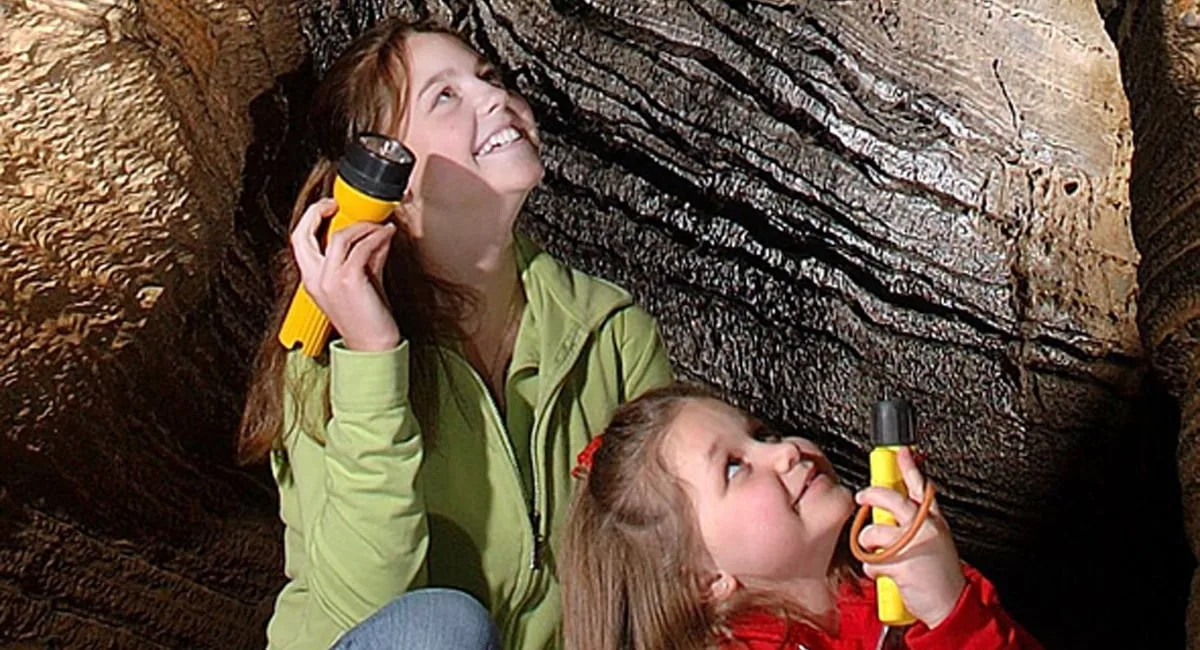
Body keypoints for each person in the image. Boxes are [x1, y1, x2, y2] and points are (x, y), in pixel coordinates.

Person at [236, 16, 673, 650]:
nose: (495, 97)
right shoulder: (326, 355)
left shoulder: (613, 337)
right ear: (388, 177)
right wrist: (374, 360)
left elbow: (674, 565)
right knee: (443, 626)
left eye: (488, 77)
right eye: (446, 95)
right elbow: (366, 609)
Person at [561, 383, 1043, 650]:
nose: (787, 452)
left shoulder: (910, 587)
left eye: (762, 433)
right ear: (706, 580)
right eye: (734, 467)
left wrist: (949, 612)